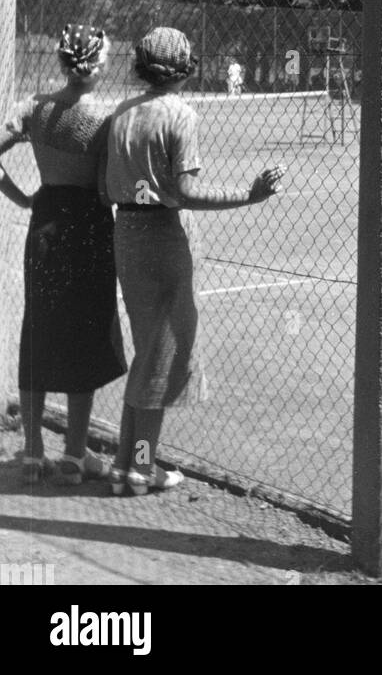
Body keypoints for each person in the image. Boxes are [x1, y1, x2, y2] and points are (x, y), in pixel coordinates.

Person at [105, 27, 285, 497]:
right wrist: (248, 195)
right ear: (183, 68)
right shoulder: (179, 114)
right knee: (160, 361)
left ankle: (126, 465)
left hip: (126, 235)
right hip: (164, 240)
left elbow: (108, 186)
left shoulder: (122, 113)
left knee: (149, 355)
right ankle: (142, 468)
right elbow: (185, 193)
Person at [0, 24, 126, 485]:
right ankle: (74, 455)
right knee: (87, 332)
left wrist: (20, 196)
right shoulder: (106, 119)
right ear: (99, 64)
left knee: (39, 328)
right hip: (90, 226)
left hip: (46, 219)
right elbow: (107, 186)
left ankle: (33, 451)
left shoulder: (35, 108)